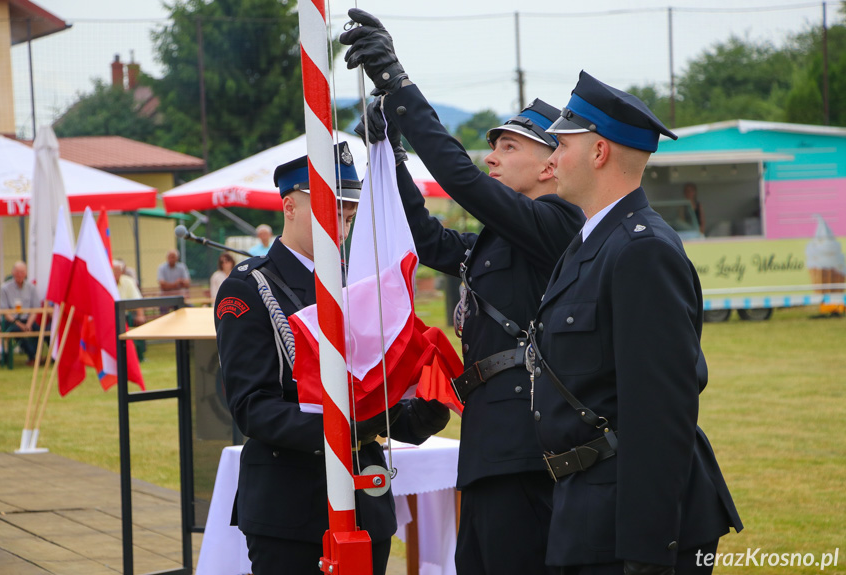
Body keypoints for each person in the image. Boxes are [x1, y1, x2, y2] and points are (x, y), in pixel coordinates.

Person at [341, 11, 585, 575]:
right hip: (492, 442)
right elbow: (426, 238)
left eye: (508, 146)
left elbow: (463, 182)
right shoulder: (503, 240)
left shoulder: (558, 222)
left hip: (525, 446)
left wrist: (398, 85)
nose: (492, 156)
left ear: (552, 164)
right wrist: (390, 156)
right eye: (492, 145)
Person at [529, 71, 743, 575]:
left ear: (599, 152)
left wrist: (648, 551)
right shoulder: (594, 242)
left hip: (630, 524)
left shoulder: (640, 250)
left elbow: (660, 412)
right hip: (591, 508)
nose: (551, 158)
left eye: (561, 144)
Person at [214, 141, 450, 575]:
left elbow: (378, 394)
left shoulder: (359, 285)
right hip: (291, 505)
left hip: (363, 500)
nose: (344, 215)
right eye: (330, 202)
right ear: (290, 206)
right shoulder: (250, 289)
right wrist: (340, 429)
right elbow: (253, 407)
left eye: (349, 205)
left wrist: (427, 407)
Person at [0, 261, 40, 366]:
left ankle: (35, 357)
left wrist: (28, 325)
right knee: (17, 331)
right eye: (17, 272)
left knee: (40, 330)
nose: (19, 274)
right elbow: (5, 312)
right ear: (13, 272)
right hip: (11, 321)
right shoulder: (4, 288)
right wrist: (21, 325)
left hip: (27, 319)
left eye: (22, 272)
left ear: (26, 273)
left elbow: (35, 309)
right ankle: (33, 357)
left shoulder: (31, 288)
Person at [113, 259, 146, 361]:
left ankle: (139, 357)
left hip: (126, 315)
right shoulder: (106, 282)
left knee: (138, 325)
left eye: (118, 270)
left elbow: (137, 299)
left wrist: (140, 315)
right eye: (114, 271)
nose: (116, 273)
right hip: (110, 316)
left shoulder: (128, 281)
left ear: (122, 271)